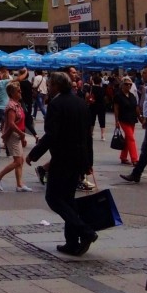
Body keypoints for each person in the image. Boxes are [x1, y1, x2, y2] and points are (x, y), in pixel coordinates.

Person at [27, 71, 96, 256]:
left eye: (49, 85)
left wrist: (34, 154)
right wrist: (89, 160)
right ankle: (72, 242)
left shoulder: (56, 104)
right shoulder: (81, 103)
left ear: (56, 86)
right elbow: (87, 135)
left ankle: (85, 231)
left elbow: (52, 135)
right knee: (68, 199)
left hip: (63, 159)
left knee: (54, 198)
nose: (48, 87)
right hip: (79, 158)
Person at [0, 82, 31, 192]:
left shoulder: (17, 104)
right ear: (11, 93)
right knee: (18, 161)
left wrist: (22, 136)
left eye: (20, 90)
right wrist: (21, 134)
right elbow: (11, 123)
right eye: (18, 91)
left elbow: (20, 122)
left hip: (18, 134)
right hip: (13, 135)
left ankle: (19, 184)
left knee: (20, 160)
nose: (21, 92)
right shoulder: (11, 106)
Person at [113, 77, 140, 166]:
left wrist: (140, 118)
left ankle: (123, 157)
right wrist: (116, 121)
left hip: (132, 119)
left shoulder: (132, 95)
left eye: (130, 84)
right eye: (126, 84)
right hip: (123, 118)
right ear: (122, 85)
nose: (128, 85)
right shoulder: (118, 95)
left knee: (128, 138)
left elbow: (136, 108)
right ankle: (134, 159)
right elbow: (116, 108)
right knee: (131, 138)